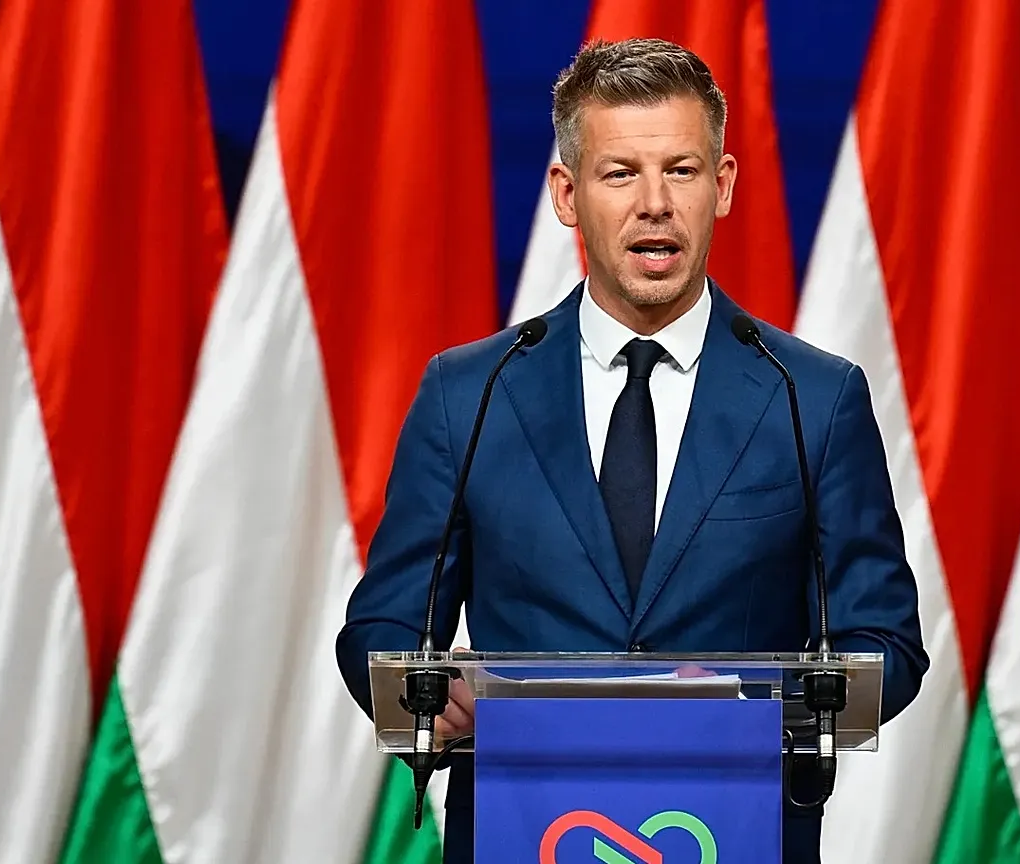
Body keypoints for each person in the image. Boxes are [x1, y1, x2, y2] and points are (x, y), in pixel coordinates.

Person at [336, 36, 928, 864]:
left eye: (682, 170)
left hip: (739, 830)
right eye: (620, 174)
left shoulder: (813, 398)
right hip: (521, 828)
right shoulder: (470, 394)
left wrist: (748, 704)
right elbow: (383, 626)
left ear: (723, 186)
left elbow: (885, 644)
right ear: (567, 194)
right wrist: (427, 693)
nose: (655, 203)